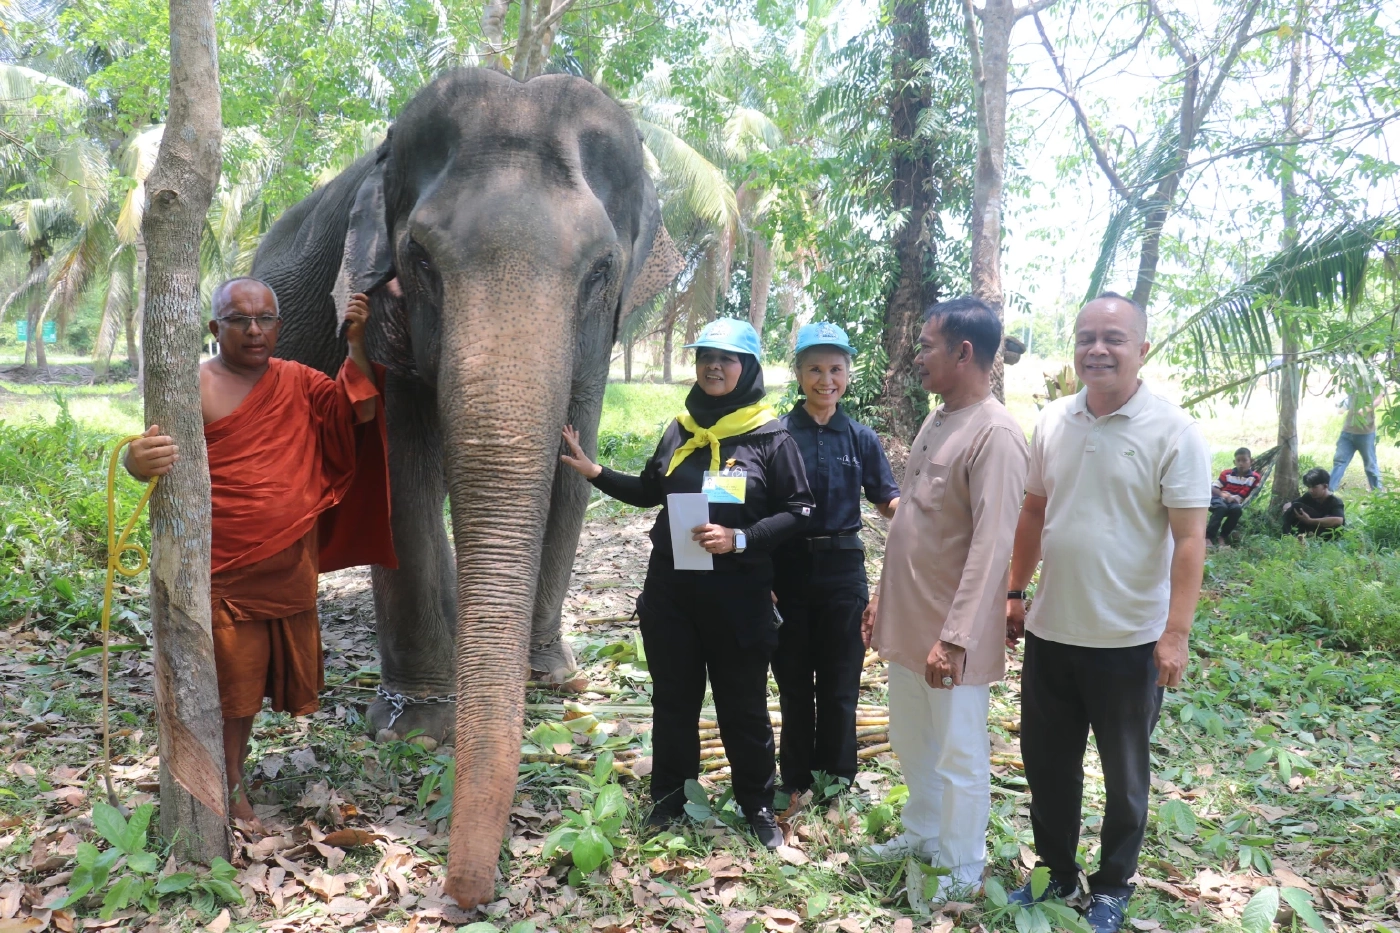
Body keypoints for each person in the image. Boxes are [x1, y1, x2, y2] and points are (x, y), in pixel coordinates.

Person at [125, 278, 394, 826]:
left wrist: (358, 344)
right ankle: (221, 785)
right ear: (213, 327)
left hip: (289, 564)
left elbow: (355, 413)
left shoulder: (297, 380)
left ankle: (230, 775)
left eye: (266, 319)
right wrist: (136, 460)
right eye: (240, 319)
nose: (254, 330)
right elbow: (146, 453)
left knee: (246, 692)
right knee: (229, 683)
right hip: (220, 566)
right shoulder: (189, 385)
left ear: (279, 325)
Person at [559, 318, 812, 849]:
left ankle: (758, 806)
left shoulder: (770, 436)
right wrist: (595, 471)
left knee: (741, 705)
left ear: (747, 368)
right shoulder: (681, 427)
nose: (713, 367)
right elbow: (653, 489)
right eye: (705, 358)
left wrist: (739, 538)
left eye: (726, 359)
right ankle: (669, 799)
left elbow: (799, 510)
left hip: (739, 596)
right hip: (673, 590)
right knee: (673, 700)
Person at [1004, 293, 1209, 933]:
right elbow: (1034, 511)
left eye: (1114, 338)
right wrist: (1014, 591)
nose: (1098, 348)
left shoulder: (1173, 431)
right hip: (1051, 632)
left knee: (1124, 779)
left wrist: (1175, 633)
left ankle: (1113, 884)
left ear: (1141, 349)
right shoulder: (1055, 421)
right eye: (1086, 336)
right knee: (1047, 766)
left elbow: (1190, 539)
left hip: (1129, 642)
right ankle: (1058, 872)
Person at [858, 297, 1029, 900]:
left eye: (927, 345)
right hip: (909, 622)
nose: (917, 355)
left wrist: (955, 638)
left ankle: (961, 864)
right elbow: (912, 526)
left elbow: (991, 547)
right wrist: (882, 598)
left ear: (963, 352)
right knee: (910, 736)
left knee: (959, 752)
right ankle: (924, 831)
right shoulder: (938, 419)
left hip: (951, 634)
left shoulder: (997, 434)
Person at [771, 322, 899, 797]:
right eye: (815, 369)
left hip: (844, 573)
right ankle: (797, 780)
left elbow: (887, 500)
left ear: (849, 374)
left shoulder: (861, 438)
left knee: (841, 683)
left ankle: (838, 782)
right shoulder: (776, 434)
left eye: (836, 370)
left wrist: (923, 514)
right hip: (788, 573)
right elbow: (758, 508)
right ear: (799, 374)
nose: (827, 380)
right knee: (794, 686)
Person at [1329, 379, 1384, 492]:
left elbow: (1378, 399)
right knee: (1339, 461)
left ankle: (1377, 494)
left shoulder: (1376, 381)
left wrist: (1365, 409)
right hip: (1348, 430)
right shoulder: (1354, 379)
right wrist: (1341, 406)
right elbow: (1346, 400)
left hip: (1366, 432)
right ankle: (1328, 491)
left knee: (1370, 464)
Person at [1206, 447, 1261, 545]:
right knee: (1221, 508)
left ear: (1251, 461)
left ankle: (1222, 536)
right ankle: (1208, 537)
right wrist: (1224, 495)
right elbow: (1214, 488)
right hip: (1218, 499)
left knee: (1237, 510)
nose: (1241, 463)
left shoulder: (1254, 477)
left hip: (1235, 502)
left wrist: (1238, 498)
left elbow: (1251, 492)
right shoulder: (1227, 474)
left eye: (1244, 460)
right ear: (1234, 462)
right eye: (1238, 460)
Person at [1283, 468, 1346, 539]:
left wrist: (1310, 521)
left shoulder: (1335, 501)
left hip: (1327, 535)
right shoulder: (1309, 496)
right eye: (1309, 487)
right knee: (1295, 507)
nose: (1311, 490)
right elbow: (1289, 504)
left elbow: (1338, 520)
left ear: (1325, 486)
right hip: (1311, 530)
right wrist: (1287, 511)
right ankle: (1288, 537)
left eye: (1314, 487)